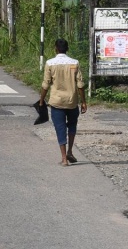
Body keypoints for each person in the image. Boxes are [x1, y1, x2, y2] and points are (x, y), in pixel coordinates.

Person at [39, 38, 87, 166]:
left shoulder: (50, 63)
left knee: (60, 128)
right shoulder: (75, 63)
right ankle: (70, 151)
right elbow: (80, 85)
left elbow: (46, 84)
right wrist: (83, 102)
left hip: (57, 102)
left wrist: (41, 100)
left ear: (55, 49)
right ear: (67, 49)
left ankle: (64, 158)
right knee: (72, 125)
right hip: (72, 101)